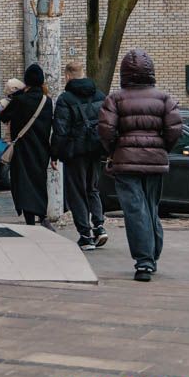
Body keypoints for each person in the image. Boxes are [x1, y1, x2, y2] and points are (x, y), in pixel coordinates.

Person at [98, 50, 183, 282]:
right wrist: (162, 147)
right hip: (155, 161)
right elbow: (175, 130)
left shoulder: (115, 99)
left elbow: (106, 130)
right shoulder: (164, 98)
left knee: (135, 210)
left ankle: (144, 262)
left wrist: (115, 149)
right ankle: (152, 255)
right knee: (150, 207)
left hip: (126, 162)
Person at [53, 61, 108, 251]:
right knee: (92, 188)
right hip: (95, 148)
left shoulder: (65, 99)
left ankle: (85, 236)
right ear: (83, 73)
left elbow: (60, 130)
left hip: (75, 151)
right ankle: (99, 227)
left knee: (76, 192)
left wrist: (55, 154)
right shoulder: (100, 95)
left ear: (67, 75)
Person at [0, 63, 54, 229]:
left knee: (23, 183)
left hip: (22, 149)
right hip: (42, 149)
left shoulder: (20, 100)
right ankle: (42, 216)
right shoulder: (47, 101)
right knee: (39, 181)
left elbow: (3, 116)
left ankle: (30, 220)